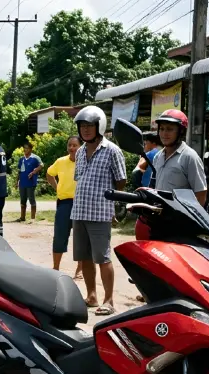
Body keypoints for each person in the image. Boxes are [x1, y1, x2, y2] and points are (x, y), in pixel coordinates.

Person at [71, 105, 127, 317]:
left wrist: (113, 206)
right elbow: (80, 179)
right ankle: (92, 295)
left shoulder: (112, 151)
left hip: (100, 212)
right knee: (84, 257)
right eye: (82, 126)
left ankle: (109, 300)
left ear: (99, 126)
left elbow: (121, 181)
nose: (85, 130)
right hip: (79, 212)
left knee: (103, 257)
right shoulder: (80, 152)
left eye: (89, 126)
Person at [150, 108, 208, 205]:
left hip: (181, 214)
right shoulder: (158, 156)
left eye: (169, 129)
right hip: (160, 213)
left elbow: (201, 194)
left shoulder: (189, 157)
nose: (164, 133)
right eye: (162, 129)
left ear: (181, 132)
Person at [46, 135, 80, 272]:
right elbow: (49, 174)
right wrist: (57, 188)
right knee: (59, 236)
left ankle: (80, 269)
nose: (71, 148)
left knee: (81, 238)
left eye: (74, 145)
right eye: (69, 145)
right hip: (64, 203)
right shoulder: (60, 161)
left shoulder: (87, 162)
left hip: (81, 204)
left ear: (81, 147)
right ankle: (56, 268)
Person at [17, 142, 43, 222]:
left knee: (31, 199)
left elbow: (41, 165)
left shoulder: (35, 158)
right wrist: (17, 181)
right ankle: (22, 217)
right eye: (24, 148)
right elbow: (19, 171)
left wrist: (34, 172)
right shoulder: (21, 159)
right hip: (22, 183)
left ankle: (32, 218)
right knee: (22, 200)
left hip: (31, 182)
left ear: (31, 149)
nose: (25, 150)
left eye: (27, 148)